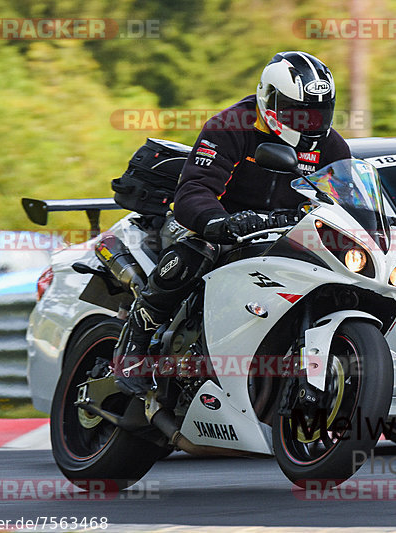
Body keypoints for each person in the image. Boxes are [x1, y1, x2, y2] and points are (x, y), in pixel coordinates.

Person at [115, 51, 352, 396]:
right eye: (297, 111)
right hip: (216, 223)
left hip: (285, 234)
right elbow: (195, 188)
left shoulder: (331, 146)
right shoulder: (231, 126)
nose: (308, 121)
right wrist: (219, 222)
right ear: (269, 99)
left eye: (318, 112)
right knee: (199, 247)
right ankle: (136, 340)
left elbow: (346, 199)